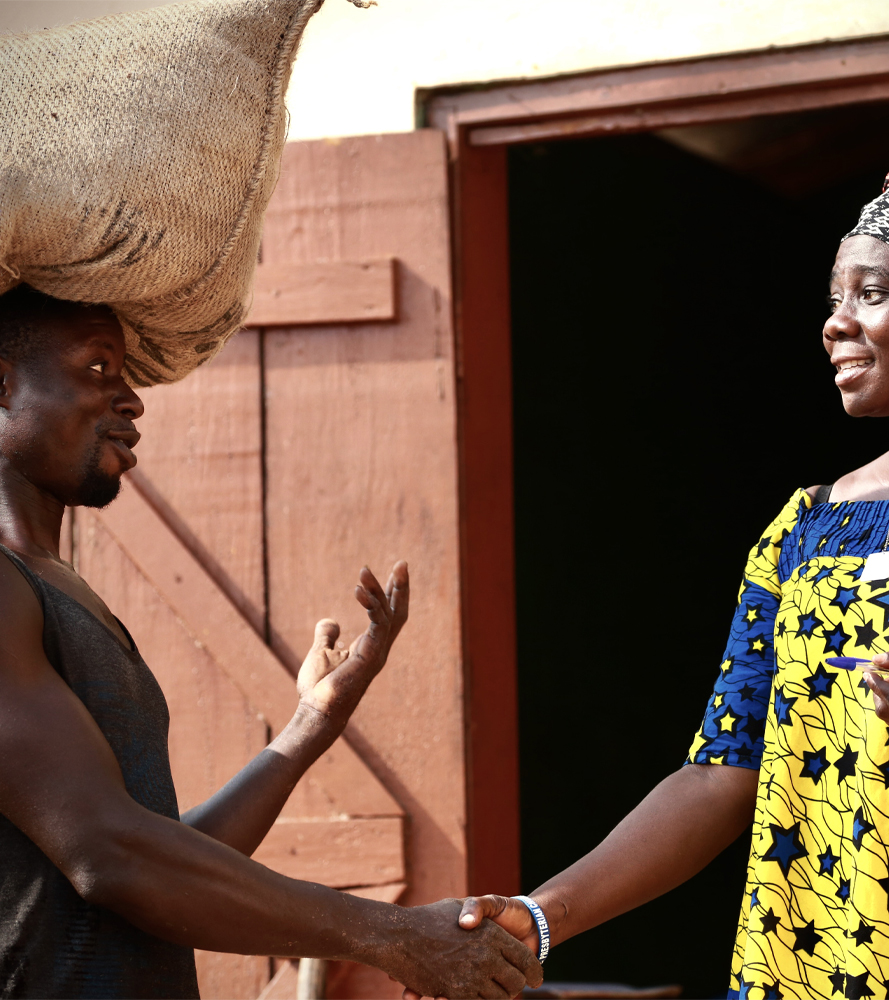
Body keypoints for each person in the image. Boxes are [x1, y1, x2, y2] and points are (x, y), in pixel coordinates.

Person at [436, 158, 889, 1000]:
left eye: (870, 293)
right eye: (831, 301)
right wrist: (543, 914)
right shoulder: (808, 526)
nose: (835, 324)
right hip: (820, 964)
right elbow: (721, 772)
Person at [0, 286, 543, 1000]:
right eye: (98, 369)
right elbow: (110, 853)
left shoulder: (63, 595)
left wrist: (310, 727)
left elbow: (170, 865)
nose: (130, 400)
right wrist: (394, 936)